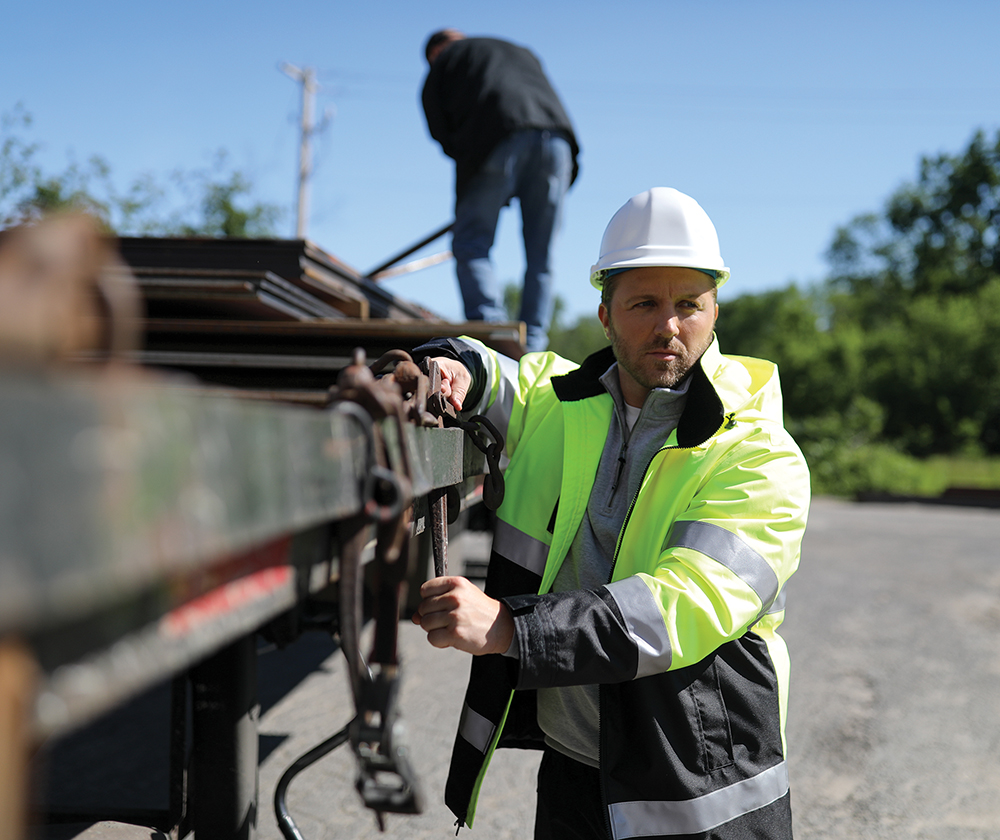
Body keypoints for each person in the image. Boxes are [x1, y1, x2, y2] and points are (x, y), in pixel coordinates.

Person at [410, 187, 811, 839]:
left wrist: (514, 629)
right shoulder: (560, 404)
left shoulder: (758, 451)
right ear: (605, 312)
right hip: (574, 765)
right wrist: (451, 368)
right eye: (644, 304)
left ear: (714, 310)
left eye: (689, 305)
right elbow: (498, 375)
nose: (669, 326)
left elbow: (684, 605)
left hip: (696, 789)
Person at [420, 29, 581, 353]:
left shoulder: (443, 62)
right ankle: (533, 344)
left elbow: (442, 133)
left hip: (495, 139)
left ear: (436, 52)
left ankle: (491, 331)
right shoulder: (517, 49)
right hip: (559, 146)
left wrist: (482, 182)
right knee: (542, 254)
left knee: (471, 243)